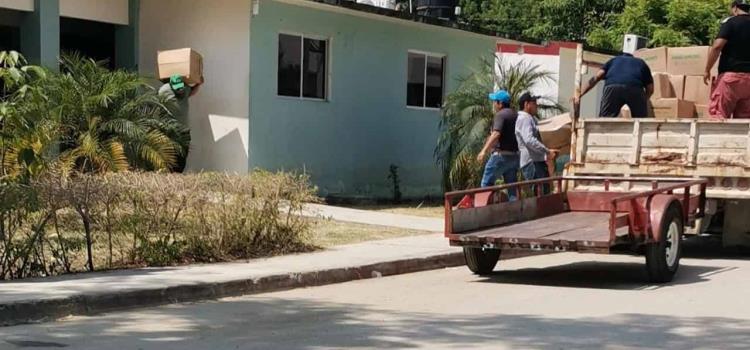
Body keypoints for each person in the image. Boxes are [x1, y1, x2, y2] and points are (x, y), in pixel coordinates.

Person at [573, 51, 655, 118]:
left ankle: (602, 135)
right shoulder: (641, 63)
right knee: (640, 120)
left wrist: (580, 94)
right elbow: (650, 89)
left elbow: (596, 77)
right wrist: (643, 101)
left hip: (613, 87)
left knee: (605, 120)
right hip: (635, 88)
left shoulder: (613, 61)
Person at [705, 0, 750, 119]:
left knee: (718, 117)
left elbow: (717, 46)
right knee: (745, 122)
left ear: (735, 8)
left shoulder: (730, 22)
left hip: (731, 79)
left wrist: (707, 69)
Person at [476, 90, 520, 200]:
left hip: (500, 156)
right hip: (514, 156)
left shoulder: (500, 115)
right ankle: (513, 211)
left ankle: (484, 211)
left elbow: (496, 133)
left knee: (486, 183)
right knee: (512, 188)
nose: (494, 104)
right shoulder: (515, 115)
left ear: (500, 103)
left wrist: (483, 151)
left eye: (495, 102)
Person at [515, 93, 558, 195]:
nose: (536, 106)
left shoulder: (530, 119)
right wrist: (547, 151)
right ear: (526, 104)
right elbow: (529, 140)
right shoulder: (525, 118)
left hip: (536, 161)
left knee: (544, 191)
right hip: (532, 162)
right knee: (540, 192)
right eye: (534, 103)